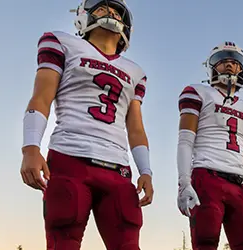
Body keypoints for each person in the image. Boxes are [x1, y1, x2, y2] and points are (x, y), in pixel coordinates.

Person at [19, 0, 153, 249]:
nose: (110, 12)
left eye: (116, 10)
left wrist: (146, 170)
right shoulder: (62, 43)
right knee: (63, 241)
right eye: (101, 7)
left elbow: (135, 127)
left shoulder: (135, 72)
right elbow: (41, 96)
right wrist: (30, 147)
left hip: (118, 166)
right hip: (70, 157)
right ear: (83, 16)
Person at [176, 41, 243, 250]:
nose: (229, 65)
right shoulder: (197, 92)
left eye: (235, 62)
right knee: (206, 241)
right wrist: (184, 181)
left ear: (242, 69)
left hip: (240, 183)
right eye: (223, 60)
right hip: (207, 176)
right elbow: (185, 140)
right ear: (212, 66)